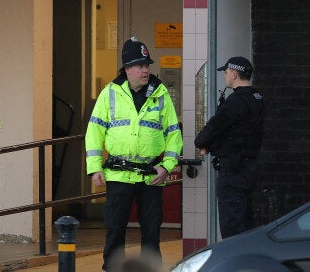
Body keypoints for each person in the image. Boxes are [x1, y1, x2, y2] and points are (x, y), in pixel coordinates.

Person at [85, 37, 183, 271]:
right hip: (119, 175)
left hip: (151, 175)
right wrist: (95, 166)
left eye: (147, 65)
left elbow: (173, 133)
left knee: (151, 232)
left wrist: (167, 166)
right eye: (140, 65)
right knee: (115, 230)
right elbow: (94, 131)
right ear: (127, 68)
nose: (145, 70)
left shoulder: (161, 94)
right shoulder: (110, 93)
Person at [194, 56, 265, 239]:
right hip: (250, 167)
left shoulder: (236, 101)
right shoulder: (257, 98)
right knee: (247, 219)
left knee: (232, 223)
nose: (225, 76)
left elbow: (216, 126)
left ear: (234, 74)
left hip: (233, 170)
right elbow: (237, 133)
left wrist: (202, 143)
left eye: (226, 73)